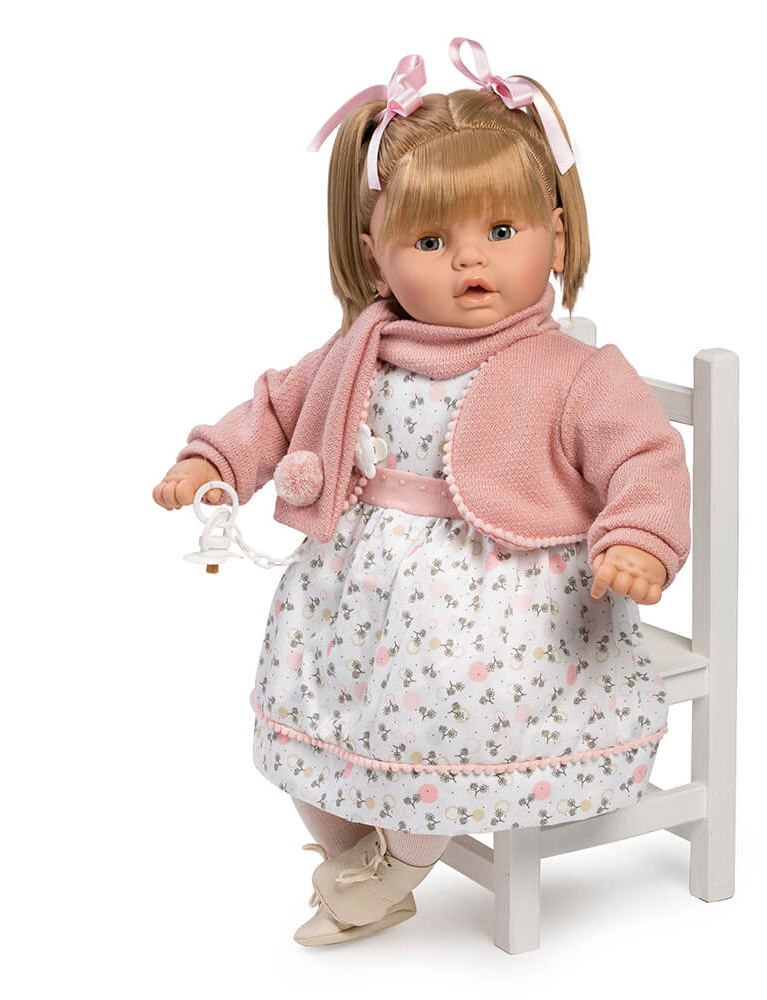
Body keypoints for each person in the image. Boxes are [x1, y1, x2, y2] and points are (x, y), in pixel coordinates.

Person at [152, 38, 690, 947]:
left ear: (557, 236)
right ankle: (353, 847)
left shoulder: (576, 371)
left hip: (503, 604)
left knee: (441, 706)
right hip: (356, 602)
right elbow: (276, 408)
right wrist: (215, 463)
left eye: (503, 232)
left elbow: (645, 458)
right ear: (377, 258)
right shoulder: (363, 348)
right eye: (433, 242)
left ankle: (400, 862)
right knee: (308, 701)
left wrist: (638, 538)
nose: (470, 261)